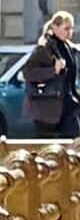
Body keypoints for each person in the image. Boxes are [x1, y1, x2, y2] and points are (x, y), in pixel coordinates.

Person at [21, 10, 80, 138]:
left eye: (71, 28)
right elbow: (28, 72)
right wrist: (53, 70)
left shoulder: (68, 47)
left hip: (68, 105)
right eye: (66, 28)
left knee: (74, 145)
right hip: (47, 109)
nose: (69, 32)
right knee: (49, 150)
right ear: (55, 27)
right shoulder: (45, 47)